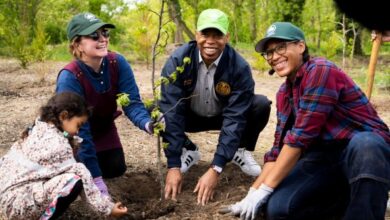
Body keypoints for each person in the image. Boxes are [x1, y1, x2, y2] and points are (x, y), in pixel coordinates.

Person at [222, 22, 390, 220]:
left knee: (367, 145)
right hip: (323, 158)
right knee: (278, 209)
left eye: (280, 48)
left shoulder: (320, 71)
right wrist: (252, 194)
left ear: (301, 46)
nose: (274, 56)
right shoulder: (284, 93)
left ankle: (369, 199)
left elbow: (300, 138)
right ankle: (354, 198)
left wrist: (265, 189)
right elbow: (277, 151)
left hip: (360, 153)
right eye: (269, 53)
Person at [159, 8, 271, 205]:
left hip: (223, 115)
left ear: (226, 37)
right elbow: (173, 111)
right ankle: (188, 150)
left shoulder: (239, 67)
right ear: (196, 35)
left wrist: (216, 167)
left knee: (260, 104)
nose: (210, 41)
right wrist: (173, 164)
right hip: (190, 116)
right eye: (205, 34)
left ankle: (239, 150)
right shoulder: (178, 61)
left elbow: (235, 118)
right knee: (157, 113)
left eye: (217, 35)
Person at [56, 13, 156, 196]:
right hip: (74, 137)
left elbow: (132, 103)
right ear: (77, 44)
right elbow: (79, 132)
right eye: (94, 35)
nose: (103, 39)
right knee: (83, 176)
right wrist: (95, 179)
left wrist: (147, 124)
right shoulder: (70, 77)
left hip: (103, 128)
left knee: (115, 168)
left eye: (105, 33)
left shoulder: (117, 63)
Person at [0, 92, 128, 219]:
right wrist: (108, 209)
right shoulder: (58, 144)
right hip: (17, 207)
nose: (78, 131)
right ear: (63, 116)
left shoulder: (38, 127)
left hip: (6, 198)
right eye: (78, 125)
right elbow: (82, 174)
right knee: (74, 180)